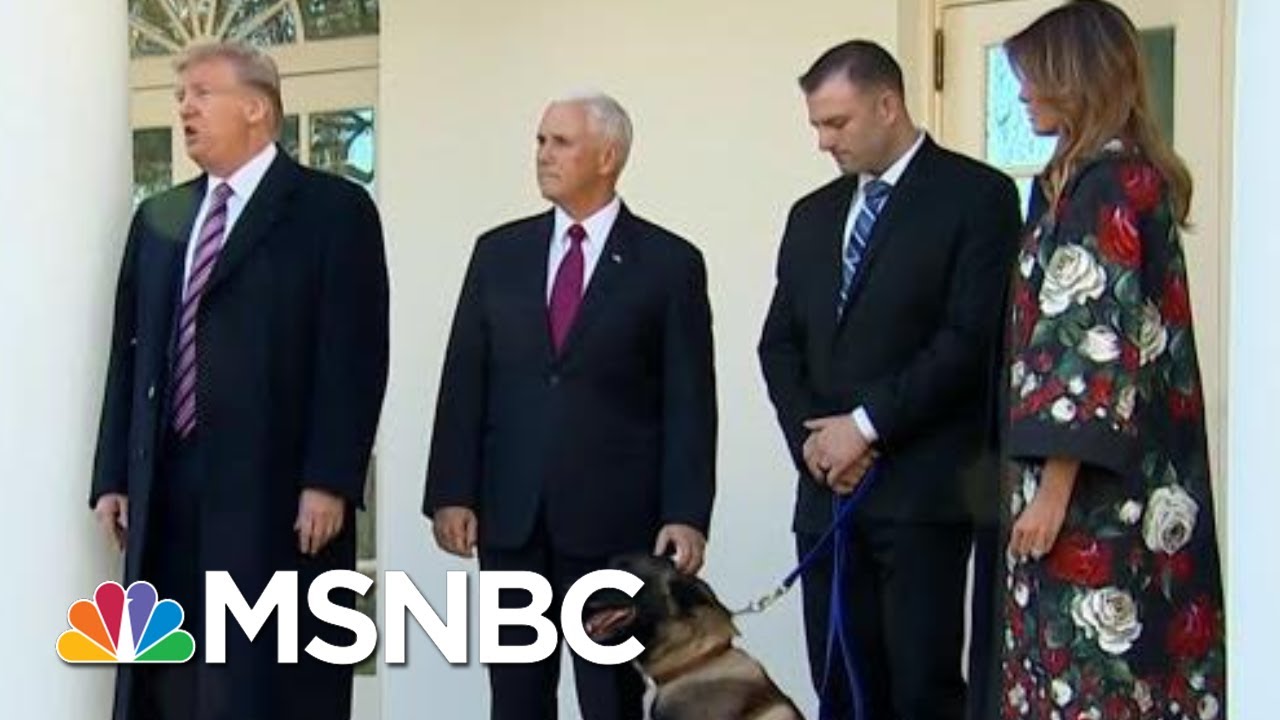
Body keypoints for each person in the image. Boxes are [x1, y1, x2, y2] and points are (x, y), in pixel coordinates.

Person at [89, 41, 389, 720]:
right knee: (170, 685)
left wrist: (330, 479)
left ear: (256, 107)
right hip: (168, 488)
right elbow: (130, 352)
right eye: (180, 96)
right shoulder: (160, 219)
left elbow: (354, 354)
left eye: (201, 93)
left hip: (276, 496)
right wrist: (113, 474)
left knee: (265, 685)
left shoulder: (332, 211)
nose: (185, 109)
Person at [423, 92, 717, 720]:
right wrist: (452, 491)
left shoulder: (669, 264)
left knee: (610, 700)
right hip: (512, 519)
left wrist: (686, 513)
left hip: (615, 525)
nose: (543, 154)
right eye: (540, 141)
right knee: (516, 698)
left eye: (560, 142)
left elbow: (690, 401)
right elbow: (464, 378)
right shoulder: (498, 254)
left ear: (607, 157)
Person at [758, 40, 1021, 719]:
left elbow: (967, 340)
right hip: (826, 501)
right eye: (817, 124)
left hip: (922, 496)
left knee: (920, 694)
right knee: (838, 690)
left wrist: (865, 427)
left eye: (836, 123)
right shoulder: (811, 214)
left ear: (887, 105)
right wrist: (817, 445)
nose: (823, 141)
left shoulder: (978, 197)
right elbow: (778, 344)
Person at [994, 2, 1227, 718]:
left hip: (1099, 499)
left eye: (1033, 76)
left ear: (1075, 76)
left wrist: (1052, 491)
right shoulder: (1077, 181)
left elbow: (1090, 343)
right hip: (1100, 484)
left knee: (1097, 677)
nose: (1023, 93)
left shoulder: (1111, 185)